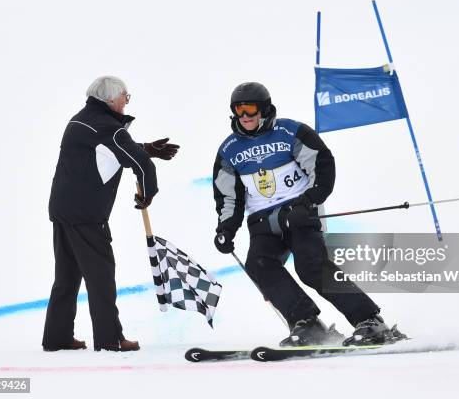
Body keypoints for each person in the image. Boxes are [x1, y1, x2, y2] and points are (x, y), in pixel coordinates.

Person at [212, 82, 400, 347]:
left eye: (250, 109)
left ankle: (370, 320)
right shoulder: (229, 149)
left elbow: (322, 165)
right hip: (262, 221)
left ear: (264, 109)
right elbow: (228, 194)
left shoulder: (291, 131)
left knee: (311, 266)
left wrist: (308, 202)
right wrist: (225, 229)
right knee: (259, 265)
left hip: (297, 212)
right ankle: (308, 324)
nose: (245, 116)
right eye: (238, 110)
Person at [44, 76, 179, 352]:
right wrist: (147, 195)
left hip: (62, 211)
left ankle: (57, 337)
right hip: (87, 216)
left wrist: (145, 148)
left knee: (66, 277)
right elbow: (141, 167)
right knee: (101, 277)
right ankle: (110, 339)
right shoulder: (109, 128)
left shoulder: (80, 120)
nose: (126, 102)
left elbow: (106, 150)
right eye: (125, 97)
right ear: (111, 99)